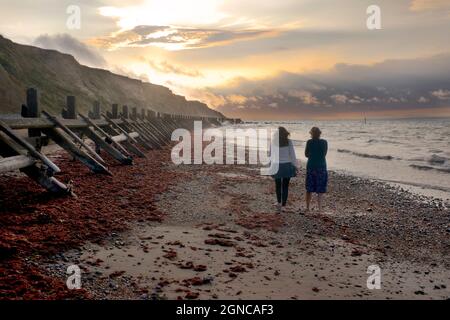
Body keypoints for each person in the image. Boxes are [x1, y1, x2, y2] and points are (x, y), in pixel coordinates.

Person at [271, 127, 298, 213]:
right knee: (285, 186)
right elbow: (292, 155)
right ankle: (283, 205)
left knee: (278, 185)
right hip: (287, 166)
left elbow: (271, 156)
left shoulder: (273, 142)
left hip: (276, 166)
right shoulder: (289, 142)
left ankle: (279, 202)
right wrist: (295, 165)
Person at [304, 127, 328, 213]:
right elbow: (324, 154)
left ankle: (307, 207)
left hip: (311, 166)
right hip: (321, 166)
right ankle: (320, 208)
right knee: (320, 188)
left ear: (311, 134)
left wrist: (312, 154)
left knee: (309, 188)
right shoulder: (324, 142)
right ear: (320, 134)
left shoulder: (309, 142)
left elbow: (306, 155)